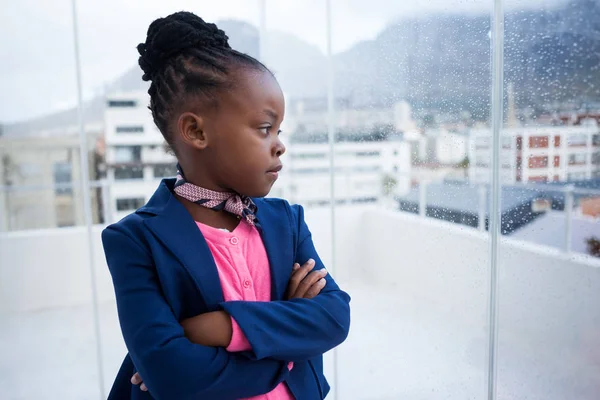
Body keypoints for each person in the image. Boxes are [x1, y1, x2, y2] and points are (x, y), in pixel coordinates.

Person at [102, 11, 351, 400]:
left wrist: (219, 328)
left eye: (279, 130)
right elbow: (172, 374)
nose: (279, 144)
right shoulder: (133, 241)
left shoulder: (287, 222)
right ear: (196, 131)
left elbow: (335, 317)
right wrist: (287, 351)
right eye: (264, 128)